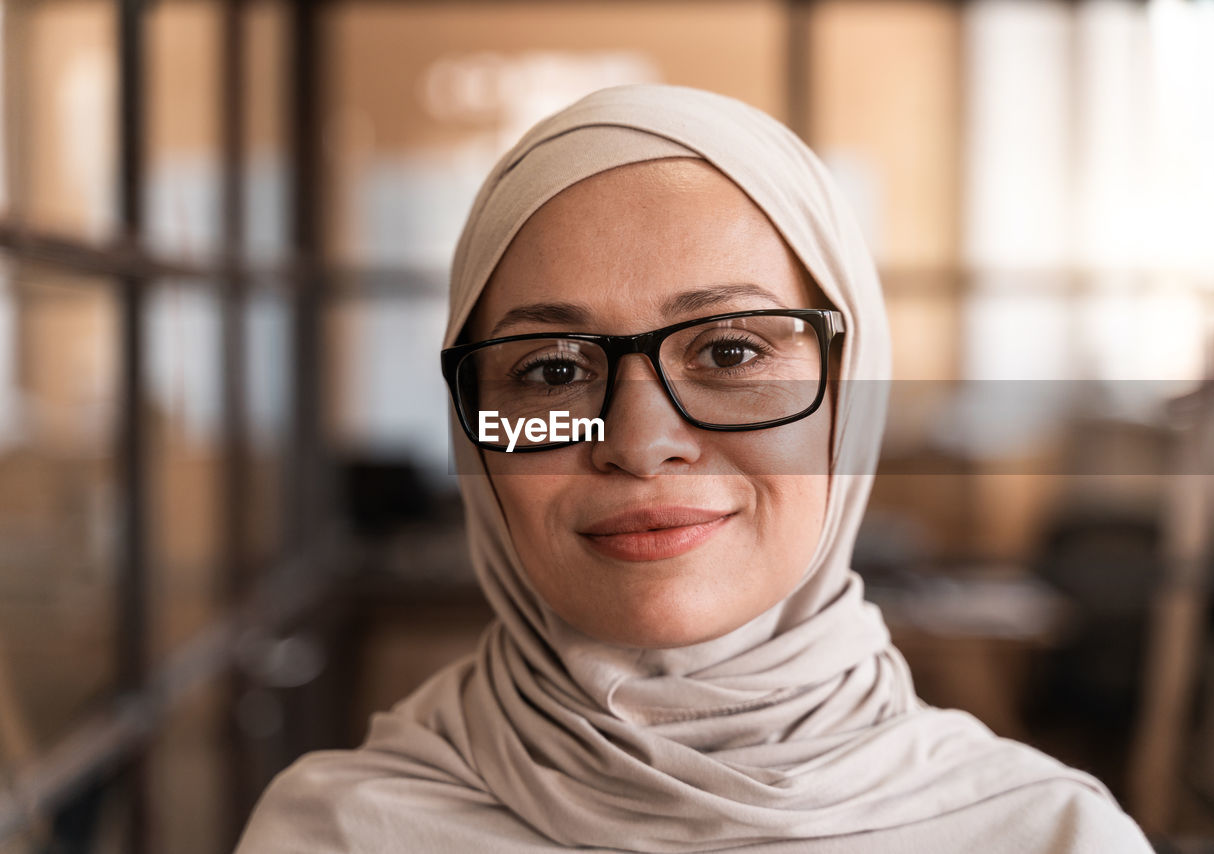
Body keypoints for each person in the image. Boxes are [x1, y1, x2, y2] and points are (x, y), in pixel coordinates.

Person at [234, 83, 1154, 853]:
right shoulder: (336, 835)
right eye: (552, 370)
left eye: (731, 353)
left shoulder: (1046, 836)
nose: (640, 444)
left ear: (850, 398)